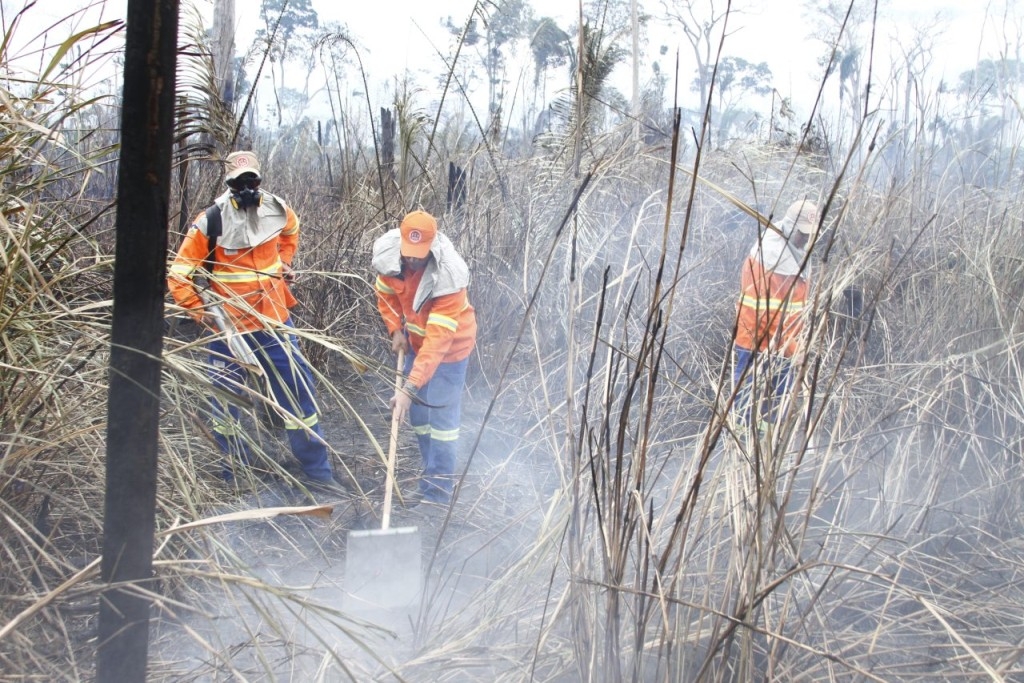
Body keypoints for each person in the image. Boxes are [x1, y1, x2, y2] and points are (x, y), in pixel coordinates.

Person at [167, 151, 337, 488]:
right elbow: (179, 276)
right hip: (229, 332)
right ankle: (236, 476)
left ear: (259, 179)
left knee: (299, 398)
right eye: (238, 181)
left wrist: (284, 262)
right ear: (228, 183)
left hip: (274, 322)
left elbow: (291, 232)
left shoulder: (277, 209)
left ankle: (318, 475)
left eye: (252, 180)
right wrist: (204, 316)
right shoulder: (210, 222)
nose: (246, 187)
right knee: (228, 406)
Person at [371, 210, 477, 505]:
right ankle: (431, 472)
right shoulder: (391, 258)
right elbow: (386, 296)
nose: (414, 260)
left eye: (420, 255)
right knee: (419, 417)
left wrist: (408, 388)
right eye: (410, 254)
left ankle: (438, 492)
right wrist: (395, 331)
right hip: (416, 344)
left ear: (433, 245)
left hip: (450, 351)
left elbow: (438, 343)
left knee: (442, 422)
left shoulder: (449, 276)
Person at [732, 199, 820, 434]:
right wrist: (793, 349)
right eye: (802, 234)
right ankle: (741, 443)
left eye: (809, 234)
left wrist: (798, 343)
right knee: (746, 399)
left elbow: (794, 310)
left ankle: (767, 443)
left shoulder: (797, 252)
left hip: (785, 344)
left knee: (779, 402)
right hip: (754, 341)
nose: (806, 239)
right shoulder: (769, 256)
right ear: (790, 227)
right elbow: (769, 318)